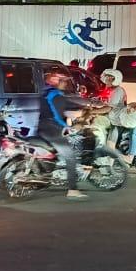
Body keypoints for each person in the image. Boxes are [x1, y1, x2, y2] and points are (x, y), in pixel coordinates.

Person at [40, 66, 98, 200]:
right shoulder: (56, 95)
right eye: (63, 81)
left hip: (43, 127)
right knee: (71, 157)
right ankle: (72, 190)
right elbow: (57, 115)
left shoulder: (46, 92)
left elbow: (67, 107)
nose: (65, 84)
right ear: (56, 81)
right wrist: (67, 127)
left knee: (57, 153)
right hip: (53, 130)